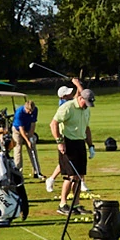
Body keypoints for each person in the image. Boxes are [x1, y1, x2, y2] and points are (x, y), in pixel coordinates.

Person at [50, 79, 92, 215]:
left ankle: (76, 204)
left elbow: (86, 128)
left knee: (79, 177)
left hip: (80, 143)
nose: (87, 106)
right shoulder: (67, 107)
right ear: (80, 98)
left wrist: (90, 145)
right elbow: (53, 124)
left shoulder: (86, 110)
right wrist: (59, 141)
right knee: (69, 176)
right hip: (68, 143)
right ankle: (62, 204)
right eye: (86, 103)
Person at [10, 98, 42, 178]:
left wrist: (31, 136)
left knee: (33, 150)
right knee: (18, 150)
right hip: (17, 131)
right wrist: (27, 141)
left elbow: (33, 123)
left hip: (28, 129)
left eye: (32, 111)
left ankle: (37, 172)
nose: (30, 112)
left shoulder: (35, 110)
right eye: (29, 111)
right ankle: (18, 172)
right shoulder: (19, 113)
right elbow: (21, 129)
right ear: (25, 108)